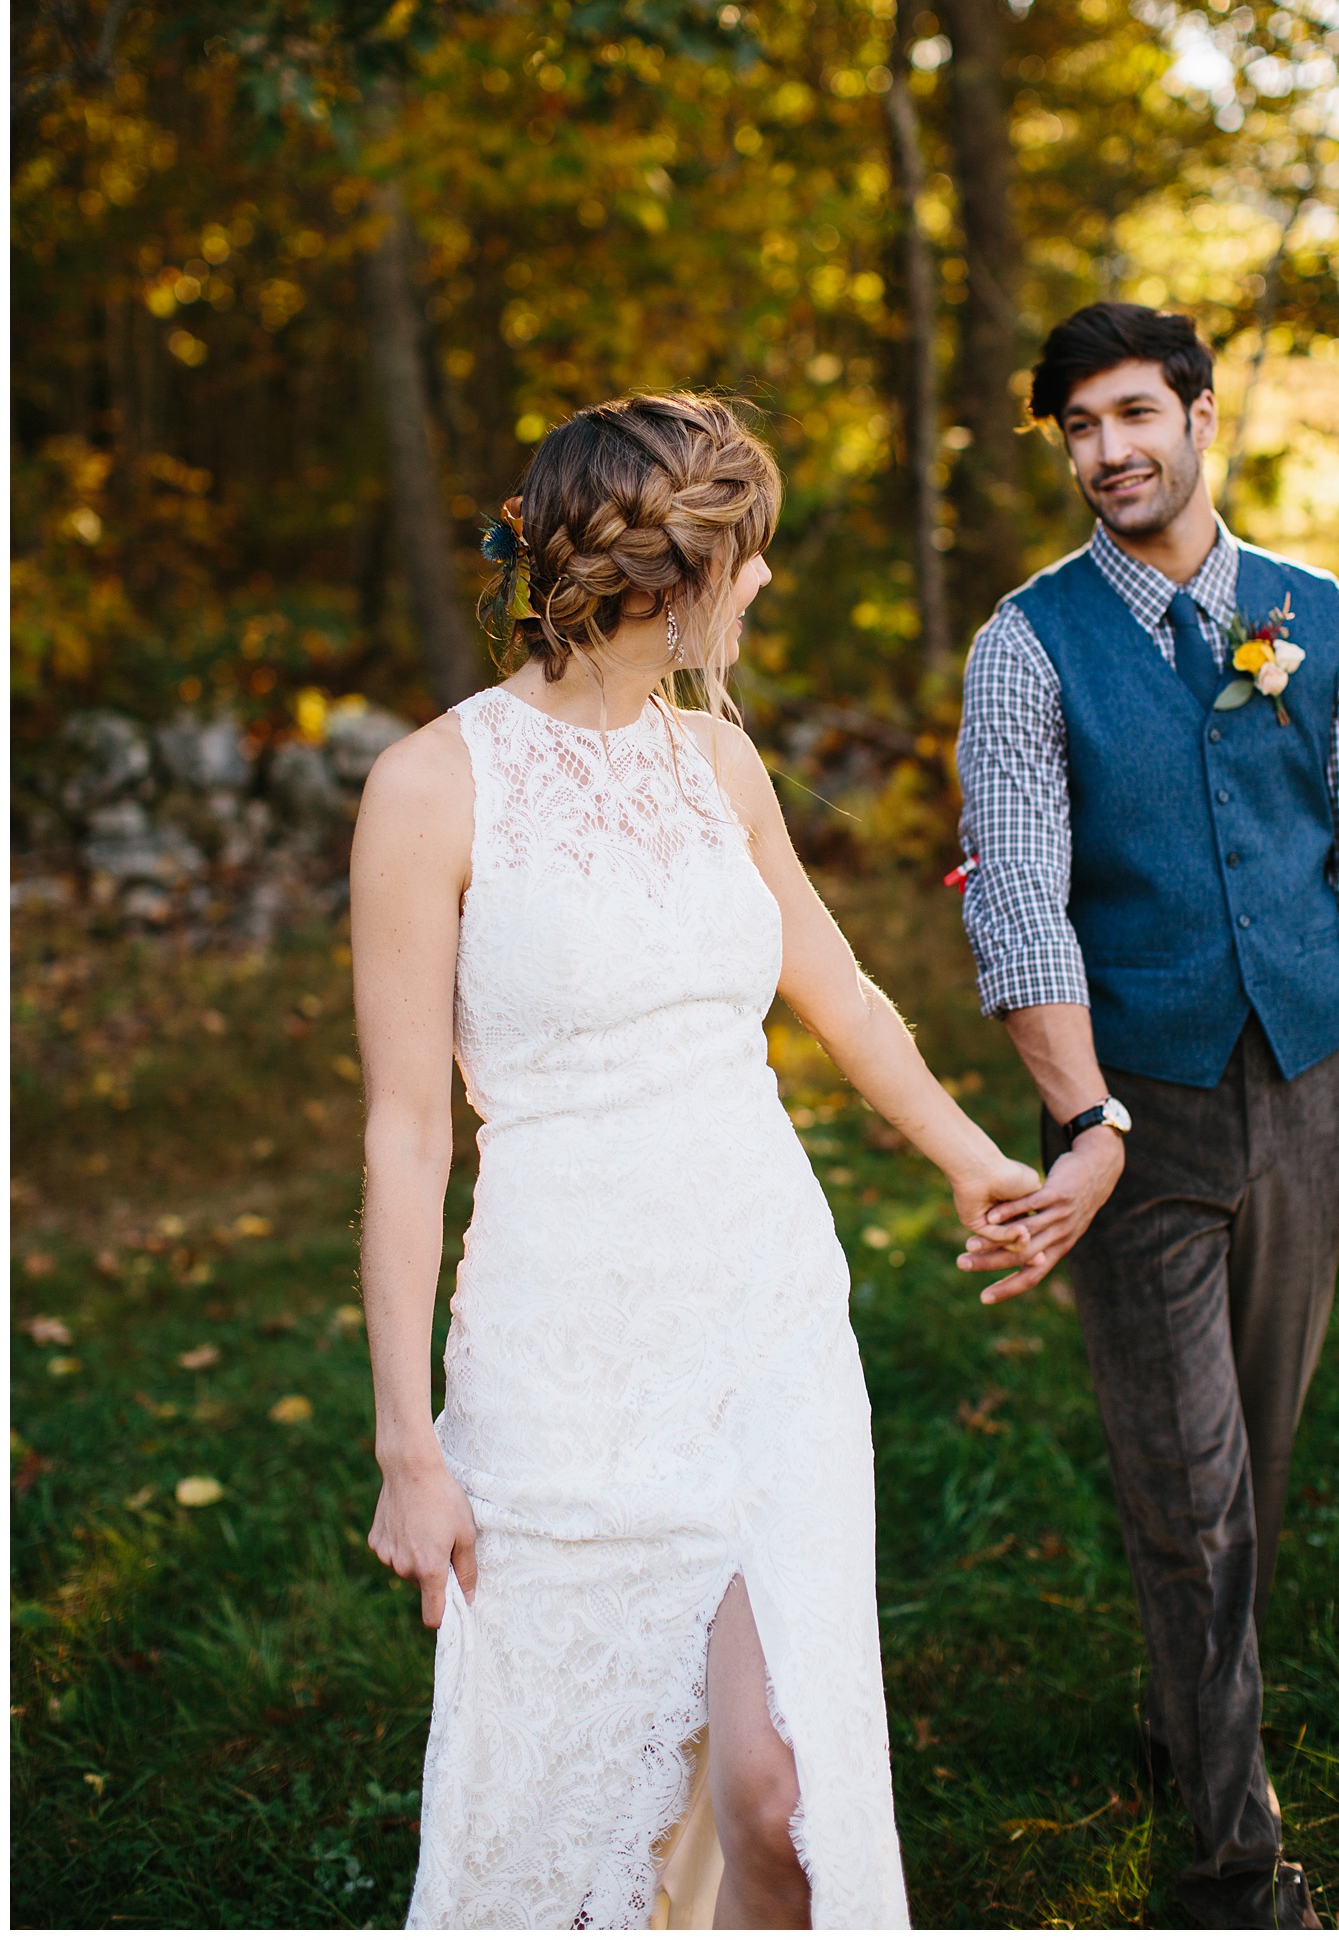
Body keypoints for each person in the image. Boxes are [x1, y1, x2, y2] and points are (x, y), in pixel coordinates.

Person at [353, 393, 1040, 1931]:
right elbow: (404, 1134)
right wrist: (410, 1442)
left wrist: (972, 1157)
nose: (769, 586)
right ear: (674, 574)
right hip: (559, 1347)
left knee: (783, 1795)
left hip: (762, 1316)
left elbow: (846, 996)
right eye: (755, 557)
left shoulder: (718, 765)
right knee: (563, 1815)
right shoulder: (429, 788)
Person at [953, 304, 1339, 1932]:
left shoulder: (1328, 622)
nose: (1107, 453)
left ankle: (1187, 1714)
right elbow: (1017, 906)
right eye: (1078, 428)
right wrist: (1082, 1118)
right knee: (1190, 1486)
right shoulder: (1025, 645)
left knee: (1262, 1456)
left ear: (1202, 416)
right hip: (1131, 1113)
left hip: (1309, 1090)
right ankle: (1233, 1866)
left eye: (1133, 414)